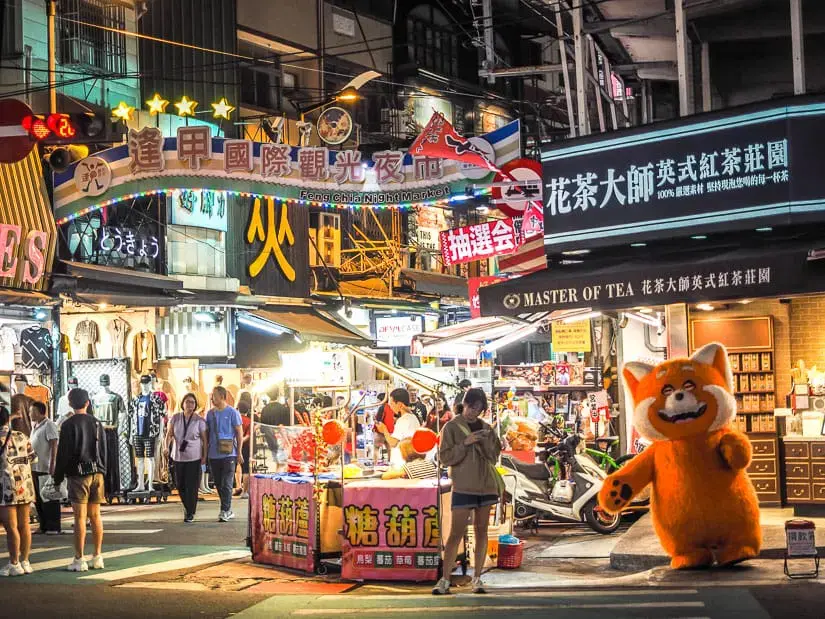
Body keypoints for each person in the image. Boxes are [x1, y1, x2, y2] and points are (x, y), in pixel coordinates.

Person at [433, 388, 502, 596]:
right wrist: (465, 443)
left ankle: (478, 577)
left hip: (486, 485)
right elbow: (445, 458)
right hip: (463, 486)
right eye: (472, 407)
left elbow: (494, 456)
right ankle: (445, 580)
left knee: (482, 531)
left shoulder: (487, 428)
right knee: (456, 533)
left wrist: (486, 440)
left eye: (479, 409)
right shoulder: (451, 427)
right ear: (464, 403)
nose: (474, 412)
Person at [53, 388, 107, 572]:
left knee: (80, 518)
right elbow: (104, 451)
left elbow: (63, 454)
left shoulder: (68, 425)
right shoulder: (97, 423)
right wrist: (103, 470)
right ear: (87, 403)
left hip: (78, 475)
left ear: (70, 403)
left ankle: (79, 559)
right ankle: (98, 556)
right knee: (96, 516)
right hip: (97, 473)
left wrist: (58, 477)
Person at [0, 404, 36, 576]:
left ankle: (14, 563)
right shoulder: (22, 435)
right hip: (25, 486)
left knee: (11, 527)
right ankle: (25, 561)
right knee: (25, 526)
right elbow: (33, 458)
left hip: (5, 488)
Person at [164, 393, 207, 523]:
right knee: (180, 485)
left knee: (192, 486)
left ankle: (190, 512)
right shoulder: (175, 418)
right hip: (178, 457)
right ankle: (187, 507)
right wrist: (166, 447)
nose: (190, 405)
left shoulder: (199, 420)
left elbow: (205, 440)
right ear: (182, 403)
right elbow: (169, 434)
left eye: (192, 403)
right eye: (187, 402)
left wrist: (204, 457)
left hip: (194, 458)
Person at [206, 386, 243, 523]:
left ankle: (225, 510)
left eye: (214, 395)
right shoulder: (210, 414)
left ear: (222, 396)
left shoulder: (232, 412)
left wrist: (239, 452)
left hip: (229, 454)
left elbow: (239, 433)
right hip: (213, 454)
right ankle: (227, 508)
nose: (212, 398)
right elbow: (206, 433)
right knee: (218, 484)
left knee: (227, 482)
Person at [29, 401, 61, 535]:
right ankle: (43, 525)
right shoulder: (35, 426)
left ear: (41, 412)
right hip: (35, 466)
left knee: (49, 497)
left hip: (45, 467)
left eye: (33, 411)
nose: (30, 414)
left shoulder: (49, 425)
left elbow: (54, 445)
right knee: (39, 498)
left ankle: (53, 526)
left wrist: (52, 464)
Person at [375, 388, 421, 468]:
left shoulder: (404, 420)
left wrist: (384, 429)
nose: (391, 407)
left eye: (392, 404)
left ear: (399, 404)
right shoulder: (413, 417)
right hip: (407, 464)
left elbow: (393, 443)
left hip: (402, 465)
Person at [234, 395, 252, 499]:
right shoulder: (249, 421)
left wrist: (236, 443)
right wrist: (241, 442)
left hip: (233, 446)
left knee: (237, 467)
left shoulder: (234, 419)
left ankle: (238, 486)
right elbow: (248, 435)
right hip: (245, 447)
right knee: (246, 469)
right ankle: (245, 492)